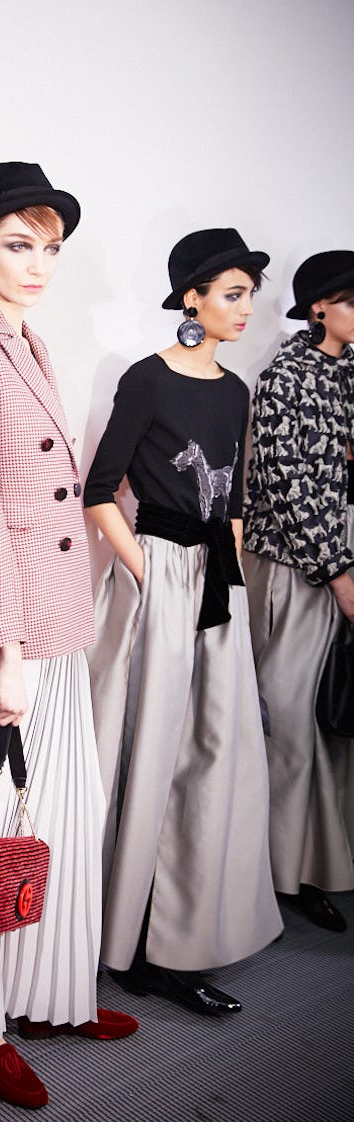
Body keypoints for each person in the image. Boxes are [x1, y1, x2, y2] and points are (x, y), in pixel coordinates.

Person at [0, 162, 137, 1112]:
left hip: (59, 623)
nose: (39, 263)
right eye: (19, 243)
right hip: (12, 637)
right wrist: (3, 648)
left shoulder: (34, 341)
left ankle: (50, 994)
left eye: (51, 247)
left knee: (58, 818)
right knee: (1, 829)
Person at [85, 228, 283, 1017]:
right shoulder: (147, 380)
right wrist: (149, 574)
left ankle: (182, 936)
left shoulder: (236, 391)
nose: (245, 310)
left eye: (249, 295)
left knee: (218, 753)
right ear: (191, 297)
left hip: (217, 584)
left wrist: (226, 583)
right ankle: (128, 941)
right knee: (153, 753)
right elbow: (101, 490)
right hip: (160, 578)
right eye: (231, 294)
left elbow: (232, 500)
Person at [243, 250, 354, 932]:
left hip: (338, 553)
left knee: (338, 722)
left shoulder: (346, 371)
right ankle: (286, 873)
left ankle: (327, 862)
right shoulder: (286, 375)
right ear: (320, 306)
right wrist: (337, 574)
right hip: (297, 565)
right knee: (292, 722)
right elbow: (289, 485)